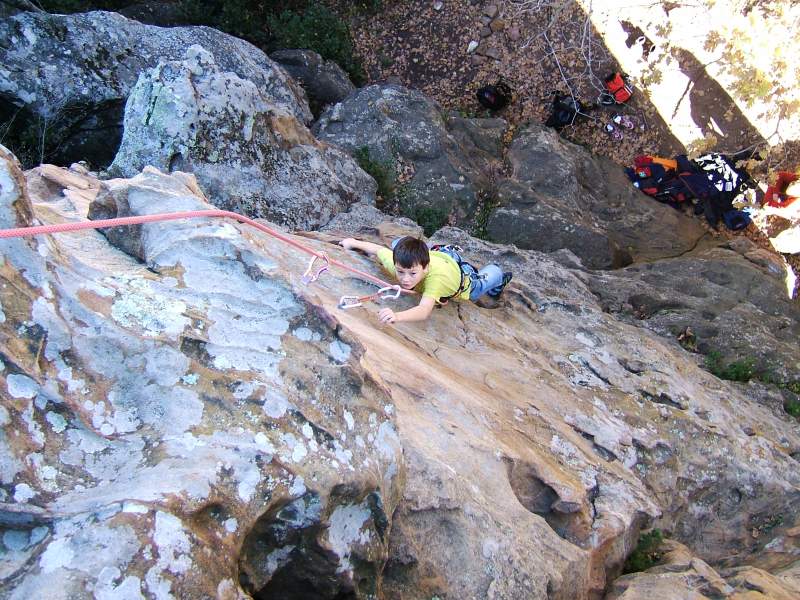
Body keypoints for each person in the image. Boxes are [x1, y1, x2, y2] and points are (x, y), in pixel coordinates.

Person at [339, 236, 512, 324]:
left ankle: (497, 278)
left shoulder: (435, 281)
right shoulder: (399, 264)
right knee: (398, 244)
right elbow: (378, 250)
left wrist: (396, 316)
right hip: (439, 256)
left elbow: (423, 310)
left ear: (425, 268)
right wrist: (352, 242)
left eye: (412, 274)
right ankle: (428, 251)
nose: (405, 279)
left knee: (479, 287)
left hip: (462, 277)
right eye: (400, 272)